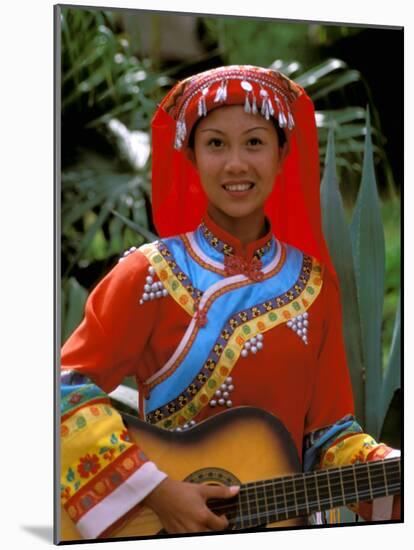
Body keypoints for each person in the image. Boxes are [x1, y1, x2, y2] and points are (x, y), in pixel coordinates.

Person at [60, 65, 400, 540]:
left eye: (255, 142)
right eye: (216, 143)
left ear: (283, 154)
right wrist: (155, 491)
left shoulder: (313, 284)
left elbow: (328, 435)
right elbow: (63, 393)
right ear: (191, 156)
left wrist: (388, 472)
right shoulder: (146, 275)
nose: (236, 163)